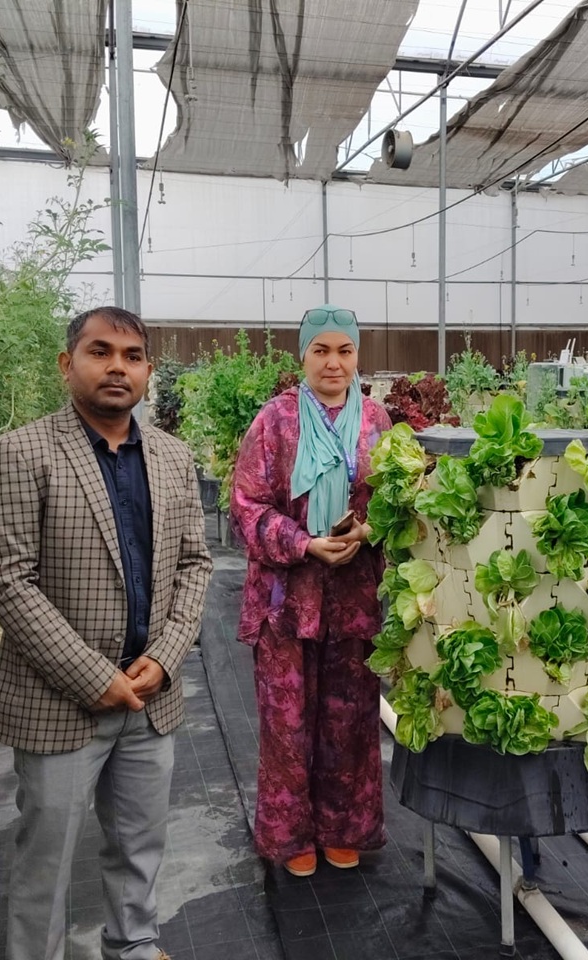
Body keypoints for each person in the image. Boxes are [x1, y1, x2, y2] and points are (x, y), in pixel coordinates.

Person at [0, 307, 213, 960]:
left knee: (140, 842)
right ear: (67, 363)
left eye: (132, 355)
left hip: (148, 694)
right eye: (100, 351)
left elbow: (195, 563)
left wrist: (163, 658)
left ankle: (133, 944)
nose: (117, 367)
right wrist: (93, 676)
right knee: (45, 858)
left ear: (148, 371)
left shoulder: (171, 456)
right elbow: (8, 582)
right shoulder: (20, 453)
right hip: (59, 702)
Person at [230, 304, 391, 878]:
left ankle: (344, 826)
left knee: (350, 717)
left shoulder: (377, 420)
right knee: (287, 719)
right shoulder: (275, 421)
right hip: (288, 598)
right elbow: (246, 506)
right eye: (321, 350)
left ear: (357, 356)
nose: (333, 362)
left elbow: (398, 495)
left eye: (344, 350)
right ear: (303, 355)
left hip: (352, 594)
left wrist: (369, 529)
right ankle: (293, 833)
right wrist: (303, 544)